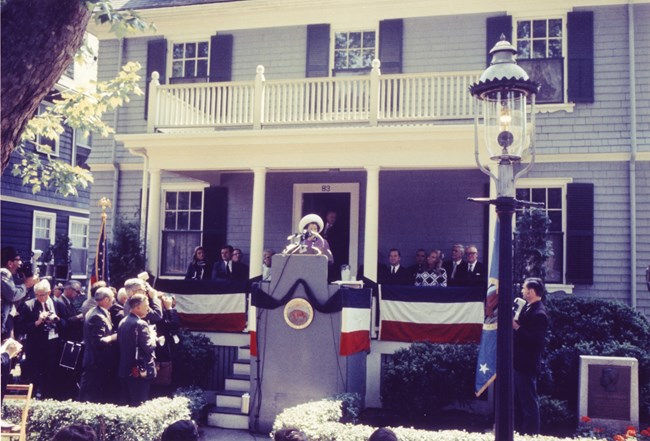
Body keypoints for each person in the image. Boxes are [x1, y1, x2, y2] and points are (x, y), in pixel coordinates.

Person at [16, 279, 66, 399]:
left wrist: (57, 319)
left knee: (50, 375)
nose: (39, 298)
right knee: (34, 377)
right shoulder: (29, 305)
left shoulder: (58, 304)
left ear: (49, 292)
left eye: (42, 295)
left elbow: (66, 324)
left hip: (53, 346)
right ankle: (32, 401)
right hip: (35, 347)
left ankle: (47, 400)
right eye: (36, 295)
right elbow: (21, 328)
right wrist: (37, 322)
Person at [513, 277, 549, 435]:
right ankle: (523, 433)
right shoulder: (529, 308)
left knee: (529, 403)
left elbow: (537, 342)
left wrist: (517, 328)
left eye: (524, 288)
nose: (522, 291)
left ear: (532, 292)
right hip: (520, 363)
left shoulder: (539, 313)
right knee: (523, 401)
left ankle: (531, 435)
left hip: (527, 365)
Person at [78, 287, 118, 403]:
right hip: (96, 362)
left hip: (95, 361)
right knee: (91, 396)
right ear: (106, 300)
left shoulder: (96, 312)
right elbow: (98, 342)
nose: (113, 300)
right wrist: (115, 336)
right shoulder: (97, 316)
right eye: (112, 298)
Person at [118, 293, 157, 406]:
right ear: (137, 307)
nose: (148, 309)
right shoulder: (141, 323)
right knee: (139, 403)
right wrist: (153, 337)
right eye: (146, 306)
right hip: (140, 370)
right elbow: (149, 347)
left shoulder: (123, 321)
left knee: (125, 402)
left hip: (125, 369)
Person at [1, 247, 35, 339]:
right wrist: (26, 284)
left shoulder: (9, 276)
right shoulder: (3, 272)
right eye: (18, 259)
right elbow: (12, 295)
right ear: (10, 263)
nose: (20, 263)